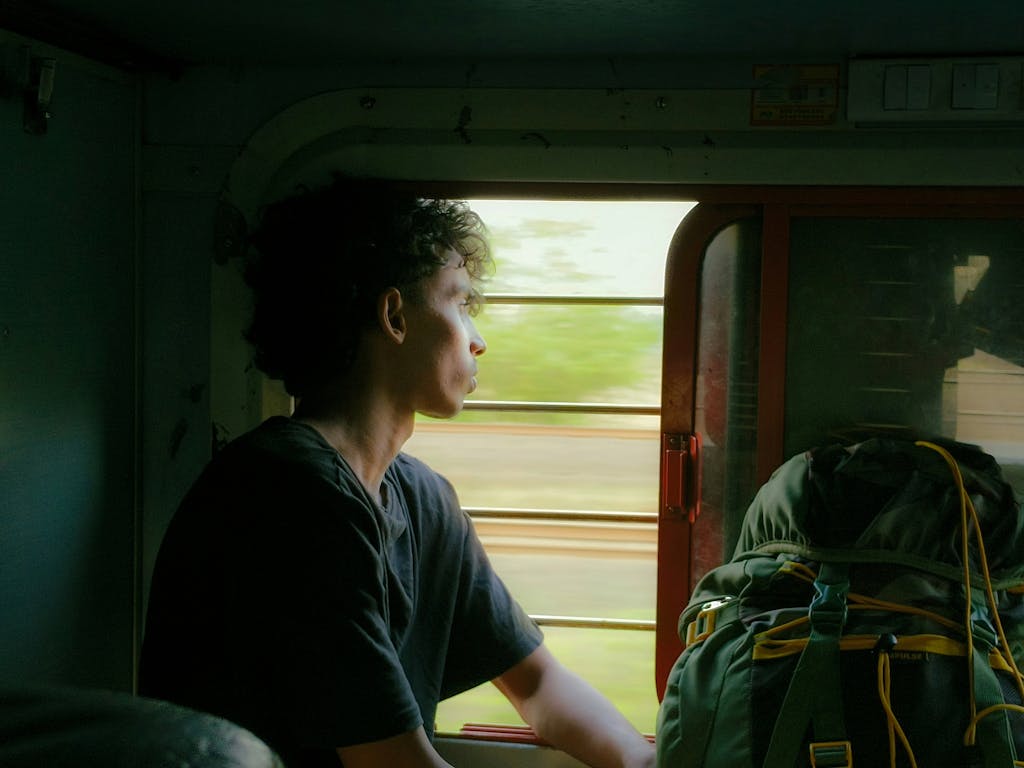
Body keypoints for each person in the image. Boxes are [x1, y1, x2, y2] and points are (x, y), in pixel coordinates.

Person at [139, 177, 656, 768]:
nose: (478, 340)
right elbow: (393, 762)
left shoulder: (421, 497)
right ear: (395, 316)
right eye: (460, 303)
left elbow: (539, 688)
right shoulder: (292, 495)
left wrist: (642, 763)